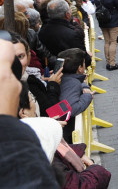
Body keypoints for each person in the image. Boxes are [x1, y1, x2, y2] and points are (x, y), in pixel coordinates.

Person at [0, 35, 60, 188]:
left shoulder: (31, 80)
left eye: (20, 56)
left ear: (28, 54)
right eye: (11, 59)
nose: (17, 64)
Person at [59, 48, 94, 143]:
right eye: (83, 63)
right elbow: (71, 109)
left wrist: (83, 85)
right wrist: (87, 96)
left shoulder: (64, 78)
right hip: (67, 134)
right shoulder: (73, 83)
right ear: (80, 68)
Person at [94, 0, 118, 71]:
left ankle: (108, 62)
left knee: (107, 42)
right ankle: (112, 63)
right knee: (113, 41)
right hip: (113, 19)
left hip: (102, 19)